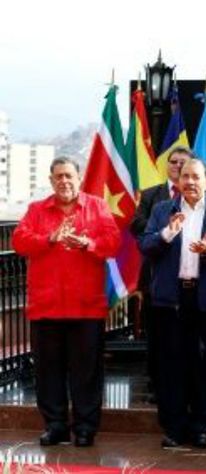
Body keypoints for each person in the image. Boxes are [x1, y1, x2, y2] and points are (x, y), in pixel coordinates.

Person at [12, 157, 121, 448]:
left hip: (86, 306)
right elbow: (19, 241)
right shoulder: (36, 209)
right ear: (51, 181)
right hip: (46, 306)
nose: (64, 181)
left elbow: (113, 243)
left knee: (86, 373)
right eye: (58, 176)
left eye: (69, 175)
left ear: (79, 178)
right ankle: (55, 426)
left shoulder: (97, 207)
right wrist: (49, 238)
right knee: (48, 372)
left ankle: (85, 428)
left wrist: (88, 244)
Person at [139, 158, 206, 449]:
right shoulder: (163, 211)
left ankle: (202, 427)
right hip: (171, 299)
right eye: (185, 176)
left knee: (205, 366)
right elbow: (145, 245)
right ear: (178, 181)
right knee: (171, 365)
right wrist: (167, 233)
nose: (190, 182)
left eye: (196, 177)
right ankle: (174, 428)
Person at [130, 145, 194, 404]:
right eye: (173, 161)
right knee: (157, 335)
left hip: (190, 276)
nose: (177, 166)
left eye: (183, 162)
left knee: (187, 336)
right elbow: (136, 225)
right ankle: (156, 384)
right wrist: (164, 229)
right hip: (156, 274)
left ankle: (186, 386)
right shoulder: (150, 195)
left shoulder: (200, 194)